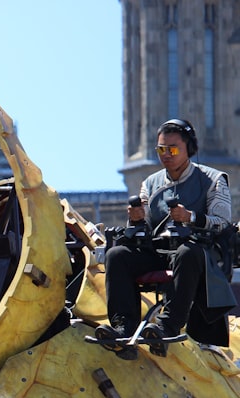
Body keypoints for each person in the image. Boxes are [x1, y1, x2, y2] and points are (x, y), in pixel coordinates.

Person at [97, 119, 234, 355]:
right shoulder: (150, 184)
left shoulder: (213, 180)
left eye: (172, 149)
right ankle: (123, 328)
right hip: (159, 251)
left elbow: (222, 223)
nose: (166, 155)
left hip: (198, 254)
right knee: (117, 255)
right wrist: (137, 218)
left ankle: (166, 326)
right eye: (161, 149)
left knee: (186, 253)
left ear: (189, 149)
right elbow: (143, 229)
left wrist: (190, 217)